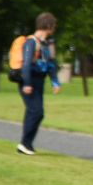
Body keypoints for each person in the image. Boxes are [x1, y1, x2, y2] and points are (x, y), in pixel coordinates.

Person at [15, 12, 61, 155]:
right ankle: (24, 144)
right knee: (36, 111)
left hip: (39, 81)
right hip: (29, 81)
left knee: (36, 113)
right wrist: (27, 84)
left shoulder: (46, 44)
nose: (54, 29)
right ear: (48, 26)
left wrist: (55, 82)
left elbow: (51, 64)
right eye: (53, 26)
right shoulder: (31, 42)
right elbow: (27, 64)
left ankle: (26, 144)